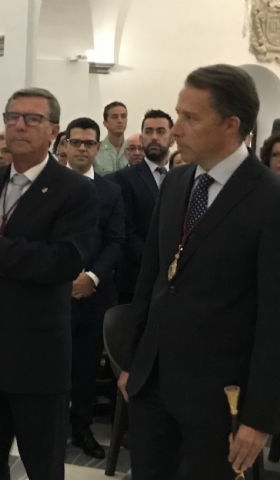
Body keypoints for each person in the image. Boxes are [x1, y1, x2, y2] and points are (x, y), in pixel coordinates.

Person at [117, 64, 280, 479]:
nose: (175, 131)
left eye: (190, 118)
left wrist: (259, 418)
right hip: (153, 386)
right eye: (178, 115)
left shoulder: (269, 198)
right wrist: (132, 361)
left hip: (222, 398)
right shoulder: (177, 183)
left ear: (231, 125)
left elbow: (274, 317)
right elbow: (151, 279)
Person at [0, 87, 98, 479]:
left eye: (32, 119)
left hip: (37, 356)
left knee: (42, 465)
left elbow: (63, 261)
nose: (19, 126)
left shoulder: (75, 191)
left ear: (54, 130)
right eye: (11, 117)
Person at [62, 117, 125, 459]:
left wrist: (92, 278)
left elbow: (115, 241)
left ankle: (81, 428)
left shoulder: (111, 191)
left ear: (97, 148)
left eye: (89, 143)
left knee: (86, 367)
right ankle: (53, 429)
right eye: (77, 142)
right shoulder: (48, 185)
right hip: (54, 292)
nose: (83, 148)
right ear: (66, 145)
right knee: (53, 365)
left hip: (93, 294)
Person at [111, 109, 173, 304]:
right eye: (148, 131)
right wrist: (155, 263)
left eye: (161, 131)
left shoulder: (183, 176)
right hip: (137, 277)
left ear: (172, 137)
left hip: (175, 280)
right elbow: (126, 231)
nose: (154, 137)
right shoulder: (124, 179)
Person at [94, 101, 128, 175]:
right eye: (114, 117)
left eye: (123, 116)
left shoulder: (134, 150)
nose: (120, 120)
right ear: (105, 123)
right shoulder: (95, 150)